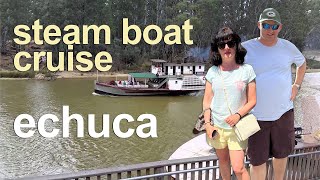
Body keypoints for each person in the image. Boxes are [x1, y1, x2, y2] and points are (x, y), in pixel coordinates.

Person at [242, 8, 307, 180]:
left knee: (281, 155)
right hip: (255, 115)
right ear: (259, 25)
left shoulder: (288, 47)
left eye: (274, 26)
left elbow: (302, 64)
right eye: (266, 25)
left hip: (283, 112)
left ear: (280, 27)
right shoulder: (245, 48)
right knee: (257, 161)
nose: (270, 30)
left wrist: (296, 86)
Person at [203, 27, 256, 180]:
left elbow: (252, 100)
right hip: (217, 128)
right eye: (222, 45)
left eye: (230, 43)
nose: (226, 48)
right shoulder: (212, 72)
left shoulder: (247, 70)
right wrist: (207, 124)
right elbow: (207, 100)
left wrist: (238, 115)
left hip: (237, 128)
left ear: (236, 45)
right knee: (224, 162)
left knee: (239, 168)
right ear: (217, 49)